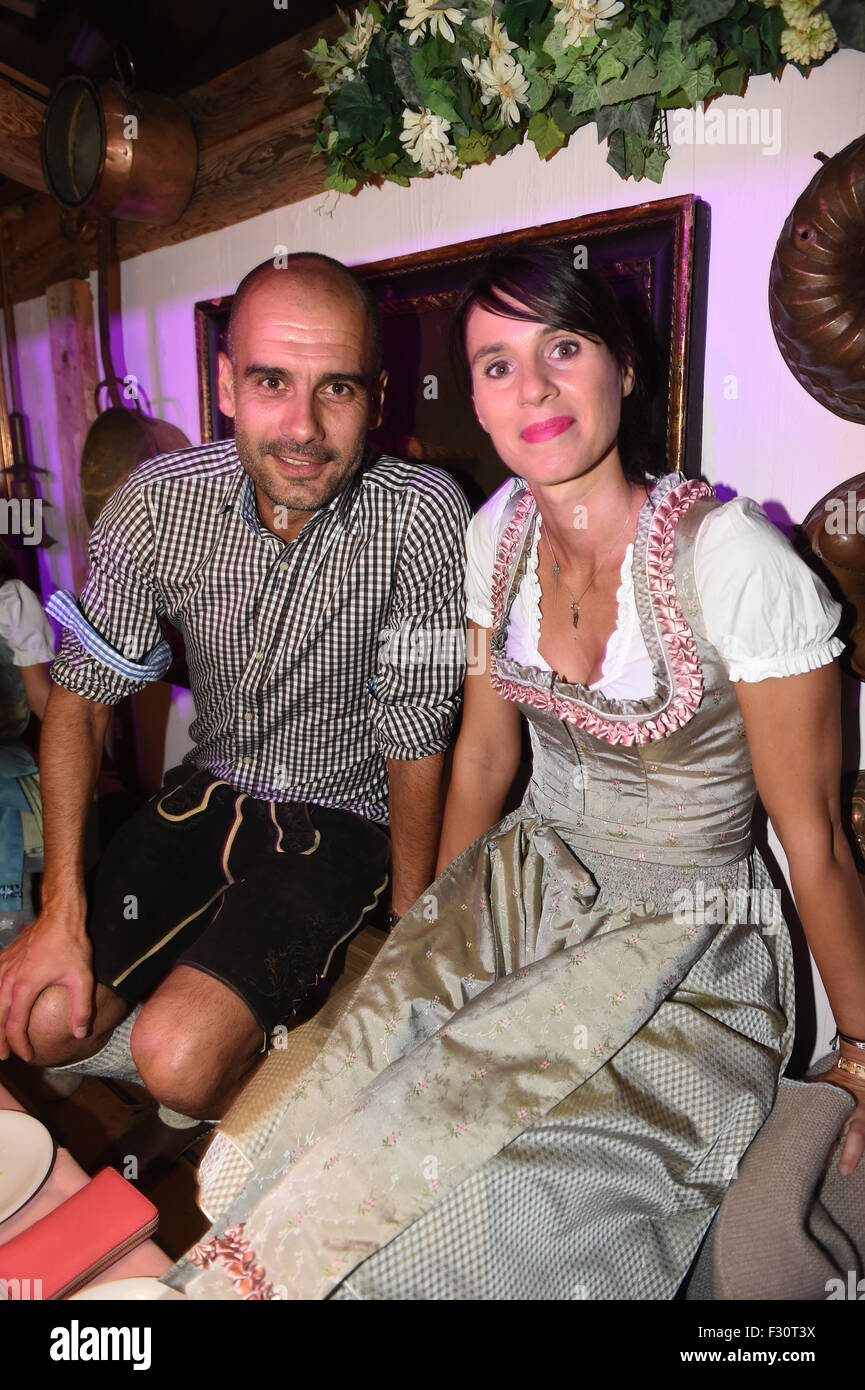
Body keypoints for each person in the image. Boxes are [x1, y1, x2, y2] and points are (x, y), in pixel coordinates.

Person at [169, 244, 865, 1302]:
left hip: (684, 952)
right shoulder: (493, 531)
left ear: (622, 368)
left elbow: (812, 839)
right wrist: (426, 933)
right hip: (519, 892)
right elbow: (488, 753)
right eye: (494, 364)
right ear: (475, 400)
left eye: (563, 347)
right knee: (273, 1141)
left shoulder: (735, 567)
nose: (530, 386)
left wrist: (861, 1050)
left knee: (462, 1232)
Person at [0, 252, 471, 1123]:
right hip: (207, 791)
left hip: (344, 818)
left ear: (376, 392)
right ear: (224, 385)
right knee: (37, 1026)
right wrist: (58, 909)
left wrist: (413, 923)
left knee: (175, 1064)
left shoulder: (424, 510)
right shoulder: (155, 499)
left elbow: (416, 730)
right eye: (269, 381)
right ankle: (191, 1004)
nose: (301, 426)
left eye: (335, 388)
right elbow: (79, 697)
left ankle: (232, 1046)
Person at [0, 542, 54, 945]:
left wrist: (77, 763)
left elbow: (39, 698)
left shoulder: (9, 599)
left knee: (9, 925)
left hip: (3, 774)